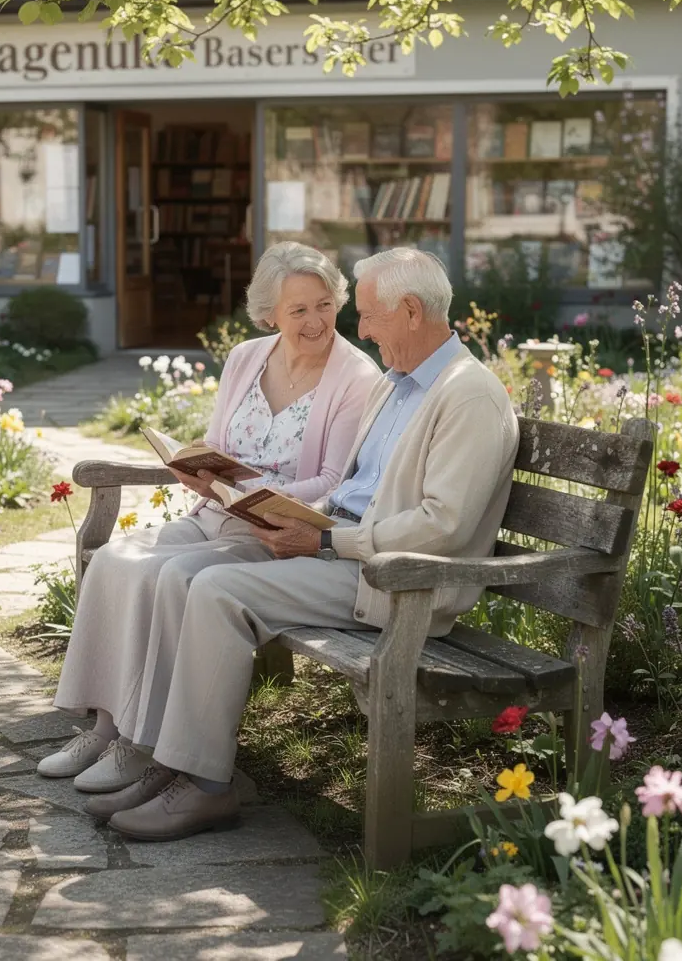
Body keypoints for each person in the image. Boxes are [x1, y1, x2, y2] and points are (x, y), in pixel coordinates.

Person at [99, 246, 520, 842]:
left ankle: (204, 788)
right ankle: (174, 765)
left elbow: (442, 525)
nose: (361, 329)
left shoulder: (467, 394)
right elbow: (352, 488)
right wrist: (288, 514)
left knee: (218, 590)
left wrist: (328, 542)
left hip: (399, 580)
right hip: (346, 550)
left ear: (409, 310)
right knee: (194, 578)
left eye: (369, 315)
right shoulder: (399, 384)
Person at [37, 241, 381, 806]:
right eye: (298, 311)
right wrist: (203, 472)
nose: (316, 321)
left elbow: (331, 481)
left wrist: (246, 494)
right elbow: (217, 444)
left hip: (270, 532)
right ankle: (103, 729)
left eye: (325, 304)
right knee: (116, 562)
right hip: (214, 513)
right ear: (270, 313)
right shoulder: (248, 357)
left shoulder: (354, 376)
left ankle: (141, 744)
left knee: (171, 579)